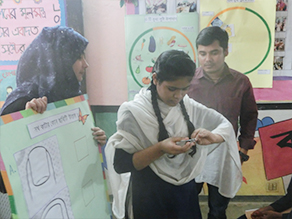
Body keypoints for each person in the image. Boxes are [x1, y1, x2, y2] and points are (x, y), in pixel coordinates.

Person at [105, 50, 242, 219]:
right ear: (155, 79)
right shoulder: (133, 112)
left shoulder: (187, 104)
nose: (178, 95)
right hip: (149, 197)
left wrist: (213, 137)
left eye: (185, 88)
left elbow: (224, 125)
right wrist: (161, 148)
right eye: (172, 89)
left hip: (184, 195)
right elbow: (121, 164)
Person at [0, 26, 106, 193]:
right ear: (60, 60)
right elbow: (4, 181)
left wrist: (93, 140)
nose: (86, 64)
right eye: (78, 57)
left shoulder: (71, 99)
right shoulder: (21, 101)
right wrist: (26, 122)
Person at [187, 26, 258, 219]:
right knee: (186, 205)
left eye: (214, 53)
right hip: (192, 153)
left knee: (218, 210)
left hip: (223, 153)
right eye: (202, 53)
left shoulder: (241, 82)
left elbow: (250, 117)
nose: (207, 59)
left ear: (226, 51)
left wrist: (243, 151)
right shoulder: (187, 82)